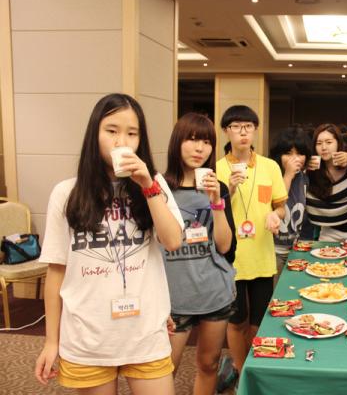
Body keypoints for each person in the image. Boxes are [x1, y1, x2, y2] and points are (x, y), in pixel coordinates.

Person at [34, 93, 184, 394]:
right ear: (95, 133)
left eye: (132, 133)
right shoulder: (67, 193)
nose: (121, 141)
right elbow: (56, 271)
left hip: (145, 332)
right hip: (88, 336)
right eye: (112, 131)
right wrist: (51, 341)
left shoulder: (154, 184)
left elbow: (172, 241)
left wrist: (148, 186)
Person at [162, 113, 237, 395]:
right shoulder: (159, 188)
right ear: (177, 142)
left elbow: (225, 246)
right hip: (174, 297)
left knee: (209, 363)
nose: (199, 148)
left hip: (213, 291)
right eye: (192, 140)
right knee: (164, 370)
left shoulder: (218, 188)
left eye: (206, 142)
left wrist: (216, 201)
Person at [215, 105, 287, 382]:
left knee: (259, 322)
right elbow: (209, 212)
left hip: (261, 256)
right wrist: (229, 190)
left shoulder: (270, 166)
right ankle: (240, 369)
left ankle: (254, 372)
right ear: (226, 131)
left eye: (248, 126)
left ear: (255, 130)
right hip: (230, 258)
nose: (242, 132)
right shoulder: (216, 168)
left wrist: (275, 214)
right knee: (236, 321)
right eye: (236, 126)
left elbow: (280, 206)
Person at [306, 123, 347, 245]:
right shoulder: (313, 171)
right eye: (319, 143)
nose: (324, 147)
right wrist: (303, 166)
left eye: (329, 142)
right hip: (329, 232)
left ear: (338, 143)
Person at [269, 126, 311, 278]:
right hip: (273, 250)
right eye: (288, 153)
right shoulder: (271, 174)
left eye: (299, 153)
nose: (295, 159)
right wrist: (288, 175)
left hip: (295, 250)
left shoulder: (304, 178)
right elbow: (276, 204)